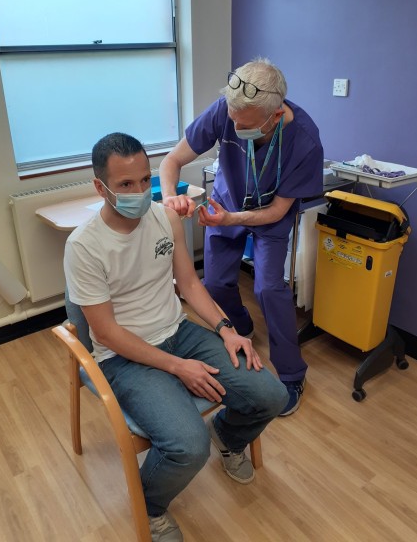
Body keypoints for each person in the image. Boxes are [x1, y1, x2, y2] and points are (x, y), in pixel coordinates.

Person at [64, 132, 288, 542]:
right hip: (123, 358)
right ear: (100, 187)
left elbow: (188, 283)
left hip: (178, 332)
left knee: (271, 395)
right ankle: (150, 506)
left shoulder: (163, 216)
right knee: (187, 445)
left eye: (143, 180)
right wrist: (176, 366)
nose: (138, 192)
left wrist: (227, 330)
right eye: (124, 185)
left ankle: (229, 435)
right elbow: (107, 333)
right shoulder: (84, 247)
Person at [159, 58, 324, 417]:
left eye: (244, 124)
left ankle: (293, 374)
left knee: (268, 288)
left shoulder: (305, 143)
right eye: (232, 119)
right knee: (215, 284)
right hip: (226, 204)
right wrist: (172, 196)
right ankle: (242, 326)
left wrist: (232, 218)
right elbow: (170, 162)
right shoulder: (226, 111)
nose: (233, 127)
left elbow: (278, 212)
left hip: (268, 217)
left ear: (276, 115)